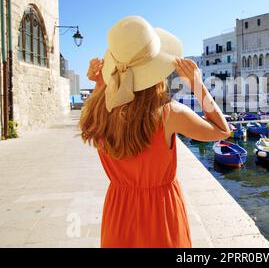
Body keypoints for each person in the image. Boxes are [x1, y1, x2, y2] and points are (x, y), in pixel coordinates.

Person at [80, 16, 231, 248]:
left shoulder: (98, 110)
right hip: (162, 215)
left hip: (118, 214)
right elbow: (222, 130)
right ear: (156, 70)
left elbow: (111, 99)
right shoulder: (170, 114)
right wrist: (197, 85)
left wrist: (100, 83)